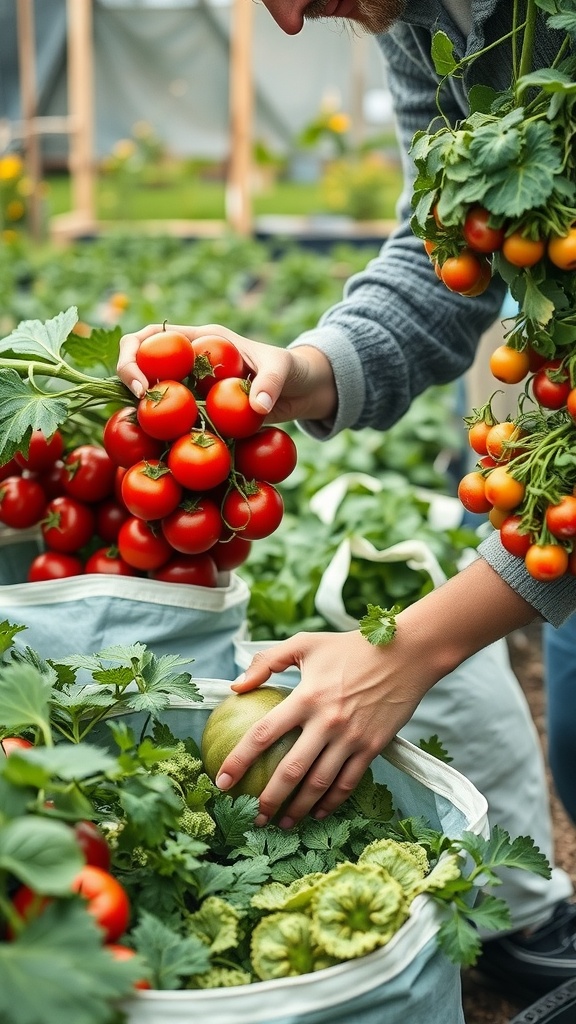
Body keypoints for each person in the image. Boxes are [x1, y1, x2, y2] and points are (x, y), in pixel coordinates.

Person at [117, 0, 576, 1000]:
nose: (287, 22)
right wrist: (295, 367)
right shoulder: (424, 20)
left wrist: (412, 645)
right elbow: (444, 254)